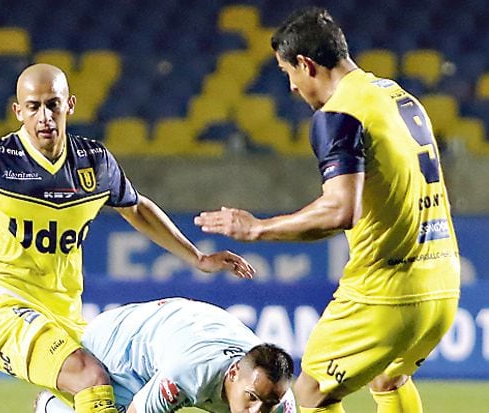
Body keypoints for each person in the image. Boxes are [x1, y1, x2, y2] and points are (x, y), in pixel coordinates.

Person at [0, 63, 256, 412]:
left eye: (52, 104)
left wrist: (197, 258)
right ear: (17, 112)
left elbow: (135, 207)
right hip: (4, 310)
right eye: (33, 106)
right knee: (90, 378)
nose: (44, 117)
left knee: (115, 397)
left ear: (69, 105)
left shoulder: (95, 163)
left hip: (66, 316)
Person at [195, 7, 460, 413]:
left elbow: (340, 210)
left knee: (310, 393)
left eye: (289, 74)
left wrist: (258, 229)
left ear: (307, 64)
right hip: (442, 281)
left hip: (387, 291)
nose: (293, 88)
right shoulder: (398, 97)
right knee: (390, 376)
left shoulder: (339, 114)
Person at [35, 297, 296, 413]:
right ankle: (52, 409)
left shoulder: (280, 402)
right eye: (251, 398)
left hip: (178, 328)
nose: (256, 411)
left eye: (268, 405)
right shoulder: (189, 374)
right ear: (234, 372)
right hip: (120, 348)